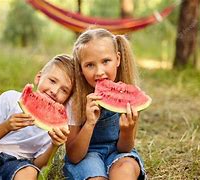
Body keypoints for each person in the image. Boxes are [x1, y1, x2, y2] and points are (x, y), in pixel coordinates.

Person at [0, 54, 74, 180]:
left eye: (64, 90)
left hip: (17, 163)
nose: (54, 90)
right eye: (52, 81)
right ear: (38, 77)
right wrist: (7, 126)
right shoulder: (10, 99)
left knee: (30, 171)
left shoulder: (54, 128)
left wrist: (54, 145)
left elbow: (38, 164)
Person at [63, 28, 146, 180]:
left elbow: (125, 148)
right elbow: (74, 156)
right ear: (80, 69)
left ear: (118, 59)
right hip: (86, 155)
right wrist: (89, 123)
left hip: (118, 153)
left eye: (106, 61)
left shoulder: (130, 97)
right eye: (90, 65)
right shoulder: (75, 101)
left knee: (125, 171)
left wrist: (128, 130)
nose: (99, 72)